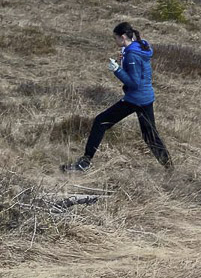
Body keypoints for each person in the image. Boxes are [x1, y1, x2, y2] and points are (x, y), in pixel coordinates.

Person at [63, 23, 171, 172]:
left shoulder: (132, 54)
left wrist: (117, 70)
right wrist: (123, 59)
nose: (114, 41)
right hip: (145, 97)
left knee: (101, 121)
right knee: (150, 136)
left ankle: (85, 162)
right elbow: (137, 72)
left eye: (115, 38)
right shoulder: (140, 46)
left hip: (136, 99)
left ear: (122, 37)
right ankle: (169, 167)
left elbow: (133, 82)